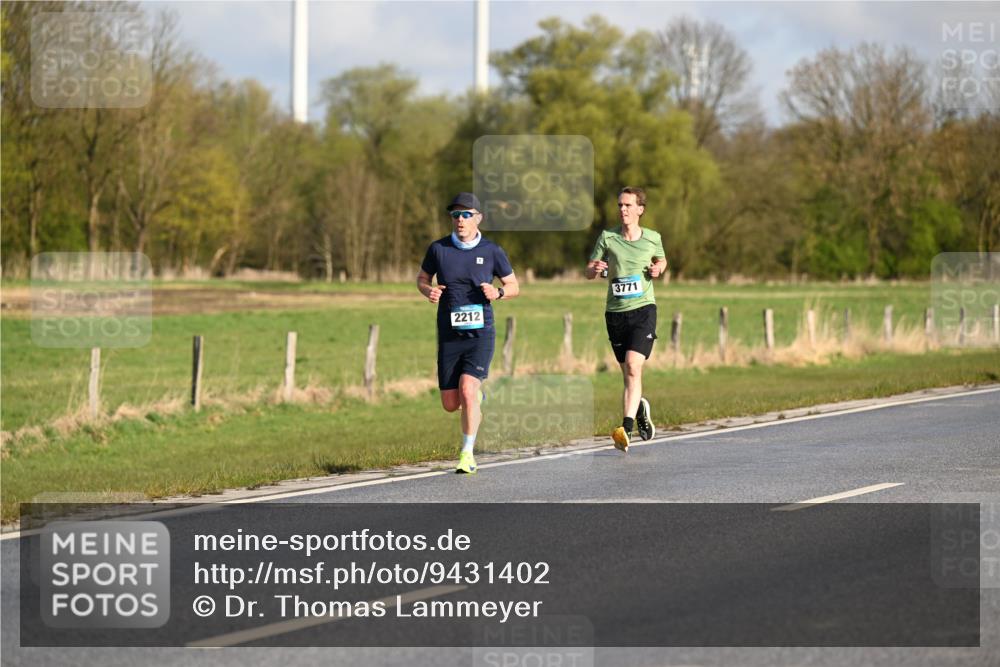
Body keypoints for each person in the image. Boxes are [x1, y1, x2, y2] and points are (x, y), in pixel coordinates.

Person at [417, 192, 519, 473]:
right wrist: (429, 290)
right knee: (451, 403)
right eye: (455, 215)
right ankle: (474, 400)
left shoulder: (491, 251)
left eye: (466, 215)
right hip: (450, 335)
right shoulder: (438, 249)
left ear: (478, 218)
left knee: (467, 389)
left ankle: (467, 454)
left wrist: (497, 292)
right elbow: (422, 278)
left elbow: (513, 286)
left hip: (480, 334)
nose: (460, 220)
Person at [585, 187, 667, 452]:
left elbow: (662, 261)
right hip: (615, 313)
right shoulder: (607, 237)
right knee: (628, 374)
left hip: (643, 309)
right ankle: (640, 407)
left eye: (628, 205)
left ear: (640, 209)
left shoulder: (653, 238)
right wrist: (594, 269)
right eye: (620, 205)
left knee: (633, 366)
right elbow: (589, 270)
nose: (623, 210)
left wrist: (658, 269)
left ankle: (626, 429)